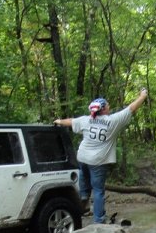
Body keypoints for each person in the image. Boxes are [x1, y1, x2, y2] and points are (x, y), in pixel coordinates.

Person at [54, 88, 148, 224]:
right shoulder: (112, 121)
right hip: (98, 162)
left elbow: (71, 121)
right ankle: (98, 220)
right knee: (98, 191)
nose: (110, 107)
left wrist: (59, 121)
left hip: (82, 158)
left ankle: (82, 205)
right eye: (108, 105)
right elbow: (131, 109)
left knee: (84, 186)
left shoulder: (86, 120)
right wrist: (142, 96)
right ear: (103, 109)